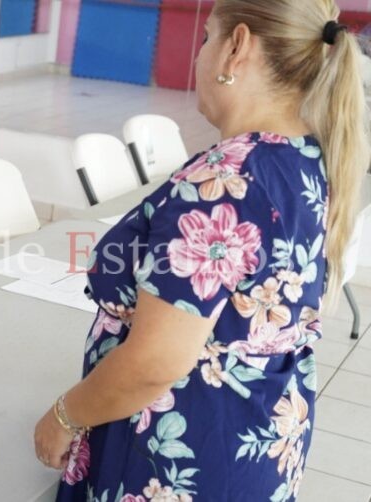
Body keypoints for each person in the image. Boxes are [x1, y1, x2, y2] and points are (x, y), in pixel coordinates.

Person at [34, 1, 369, 501]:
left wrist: (64, 416)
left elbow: (155, 362)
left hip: (180, 457)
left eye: (208, 37)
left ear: (237, 48)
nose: (199, 56)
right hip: (253, 439)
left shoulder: (223, 182)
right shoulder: (301, 158)